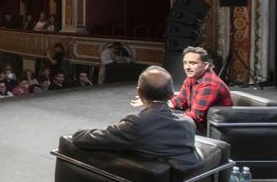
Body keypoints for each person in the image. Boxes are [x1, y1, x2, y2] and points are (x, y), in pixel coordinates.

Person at [72, 66, 200, 166]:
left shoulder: (136, 124)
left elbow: (81, 138)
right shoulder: (188, 123)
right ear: (172, 95)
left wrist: (78, 134)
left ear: (139, 92)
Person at [164, 46, 233, 133]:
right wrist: (155, 104)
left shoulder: (210, 84)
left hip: (205, 132)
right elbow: (179, 101)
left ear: (205, 65)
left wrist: (163, 117)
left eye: (192, 63)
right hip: (194, 125)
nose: (187, 67)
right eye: (185, 63)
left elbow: (195, 117)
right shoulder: (192, 78)